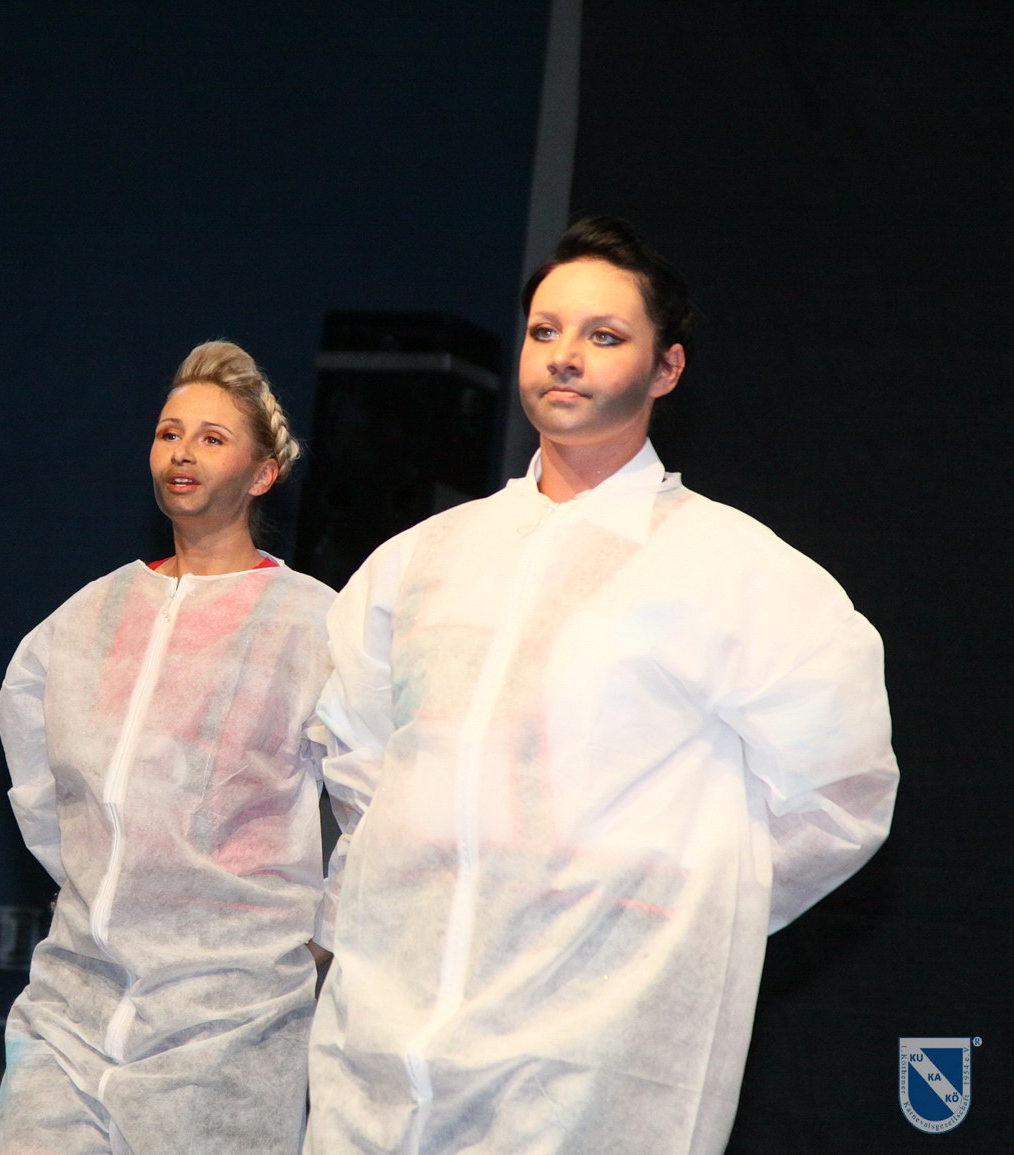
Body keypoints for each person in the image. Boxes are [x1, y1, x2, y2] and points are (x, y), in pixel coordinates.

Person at [304, 217, 898, 1154]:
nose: (565, 356)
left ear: (667, 369)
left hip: (591, 1051)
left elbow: (842, 791)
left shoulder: (736, 570)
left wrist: (657, 922)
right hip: (384, 1041)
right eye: (545, 330)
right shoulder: (418, 563)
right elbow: (362, 769)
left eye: (604, 335)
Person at [0, 341, 336, 1155]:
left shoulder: (315, 624)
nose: (182, 452)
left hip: (231, 1022)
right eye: (169, 433)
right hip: (71, 1011)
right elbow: (43, 783)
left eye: (212, 438)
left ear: (263, 472)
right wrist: (107, 881)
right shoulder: (87, 619)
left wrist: (318, 936)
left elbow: (375, 803)